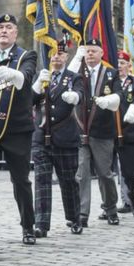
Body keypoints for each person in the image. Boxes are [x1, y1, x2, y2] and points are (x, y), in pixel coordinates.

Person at [0, 14, 38, 244]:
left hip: (16, 129)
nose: (4, 31)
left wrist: (16, 75)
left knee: (21, 181)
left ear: (16, 33)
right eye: (0, 28)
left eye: (9, 27)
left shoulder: (25, 56)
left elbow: (28, 77)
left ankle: (28, 227)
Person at [31, 37, 84, 236]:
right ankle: (41, 224)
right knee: (41, 181)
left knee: (68, 181)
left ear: (66, 55)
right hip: (41, 136)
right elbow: (29, 100)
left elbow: (81, 93)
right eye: (53, 54)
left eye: (60, 54)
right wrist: (37, 85)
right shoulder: (41, 75)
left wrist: (75, 96)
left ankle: (74, 217)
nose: (56, 57)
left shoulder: (73, 77)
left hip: (65, 136)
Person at [67, 38, 122, 226]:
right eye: (87, 51)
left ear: (101, 54)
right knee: (81, 174)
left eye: (93, 51)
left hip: (102, 131)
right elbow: (67, 82)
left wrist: (110, 100)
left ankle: (110, 208)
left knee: (105, 173)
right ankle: (82, 214)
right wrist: (75, 59)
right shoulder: (78, 73)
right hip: (80, 129)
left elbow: (118, 95)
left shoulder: (111, 73)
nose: (90, 54)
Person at [114, 51, 134, 217]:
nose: (119, 66)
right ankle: (110, 205)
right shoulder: (110, 81)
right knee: (106, 172)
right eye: (117, 62)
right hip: (110, 130)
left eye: (122, 63)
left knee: (129, 171)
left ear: (128, 65)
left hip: (129, 131)